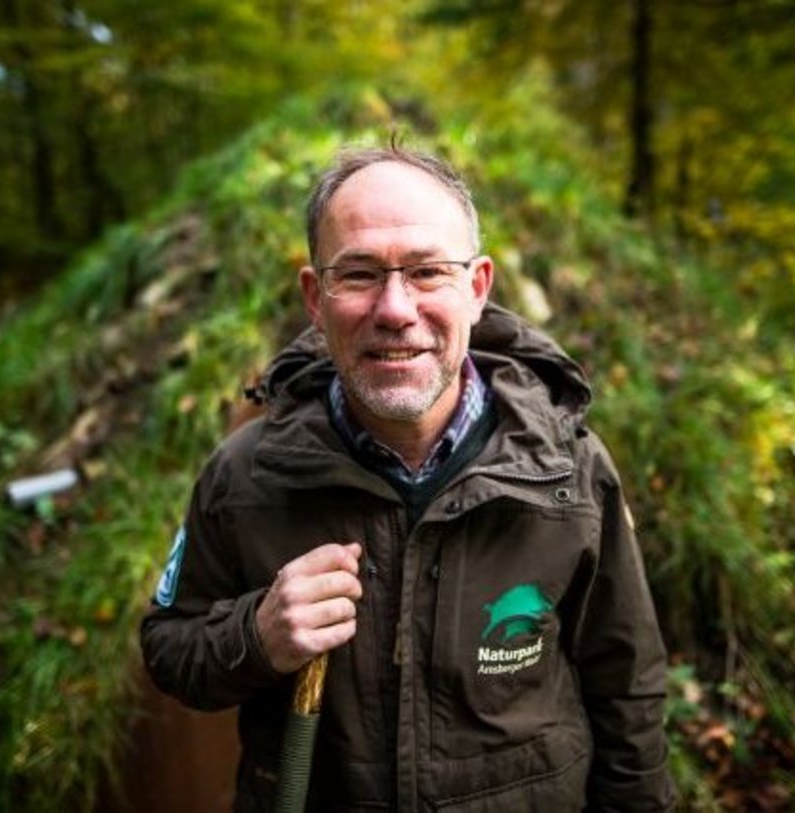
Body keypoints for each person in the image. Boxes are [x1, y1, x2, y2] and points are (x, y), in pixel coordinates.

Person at [140, 143, 674, 812]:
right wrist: (258, 634)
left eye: (426, 271)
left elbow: (627, 690)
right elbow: (168, 645)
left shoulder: (569, 472)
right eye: (358, 273)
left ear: (476, 289)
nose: (395, 309)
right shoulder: (245, 476)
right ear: (315, 297)